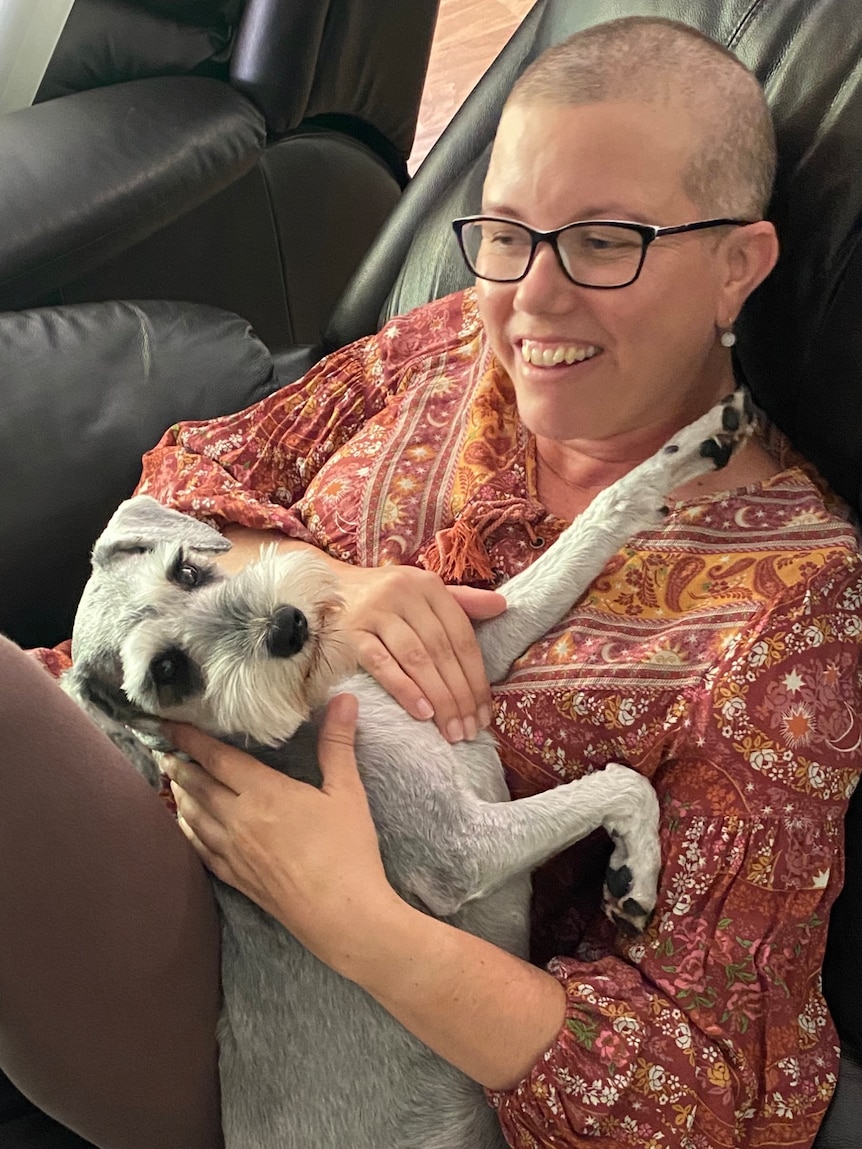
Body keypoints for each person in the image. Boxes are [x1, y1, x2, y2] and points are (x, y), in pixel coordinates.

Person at [8, 14, 862, 1149]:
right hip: (124, 776)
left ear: (736, 266)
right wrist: (322, 582)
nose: (534, 303)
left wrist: (351, 916)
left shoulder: (783, 617)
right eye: (506, 233)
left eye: (604, 241)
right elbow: (194, 474)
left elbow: (708, 1092)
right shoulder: (454, 337)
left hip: (298, 1043)